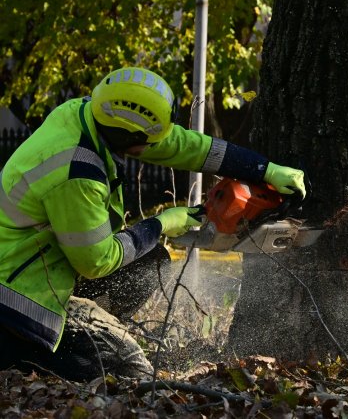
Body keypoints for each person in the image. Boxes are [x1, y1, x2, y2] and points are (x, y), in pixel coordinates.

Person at [0, 67, 305, 380]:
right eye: (148, 142)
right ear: (130, 137)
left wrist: (263, 169)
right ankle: (58, 339)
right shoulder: (76, 172)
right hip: (17, 304)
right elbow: (97, 261)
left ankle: (84, 319)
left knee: (150, 262)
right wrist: (161, 223)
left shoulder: (89, 115)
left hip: (40, 262)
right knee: (127, 364)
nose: (155, 147)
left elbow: (180, 145)